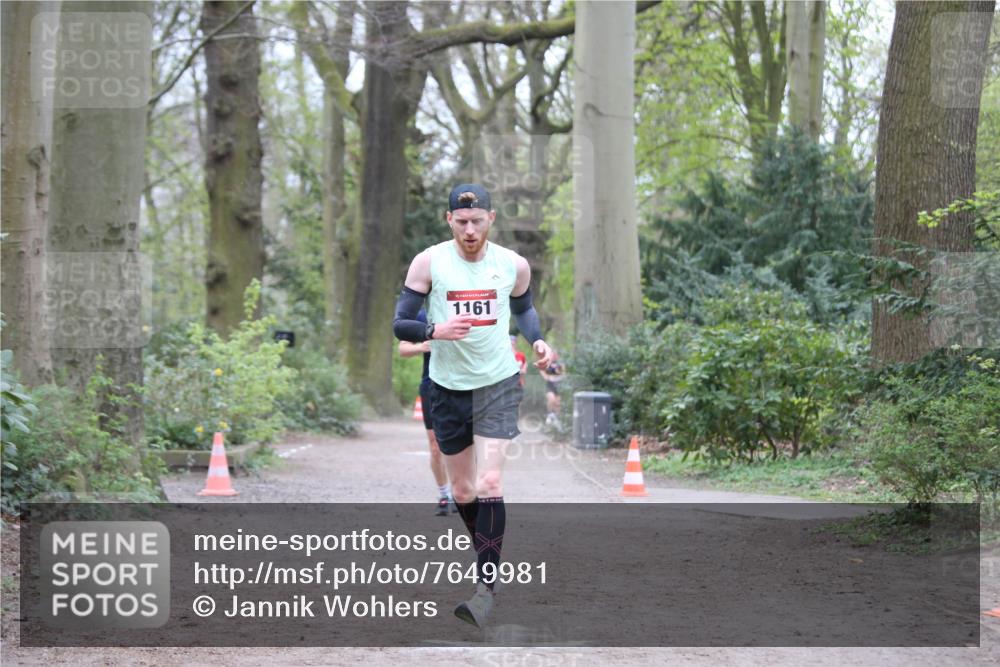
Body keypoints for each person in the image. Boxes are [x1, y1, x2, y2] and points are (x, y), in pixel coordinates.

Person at [393, 183, 554, 628]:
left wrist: (537, 339)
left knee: (490, 480)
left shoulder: (513, 265)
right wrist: (434, 331)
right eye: (461, 221)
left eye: (476, 221)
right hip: (446, 386)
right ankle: (488, 554)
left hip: (498, 383)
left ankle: (485, 586)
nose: (469, 229)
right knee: (463, 491)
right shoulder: (429, 261)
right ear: (449, 221)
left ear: (491, 219)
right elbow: (401, 323)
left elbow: (523, 310)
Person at [397, 308, 456, 516]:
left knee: (462, 444)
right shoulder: (422, 316)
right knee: (435, 446)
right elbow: (402, 349)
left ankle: (461, 490)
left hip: (462, 386)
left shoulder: (462, 311)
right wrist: (423, 346)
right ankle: (444, 494)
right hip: (430, 385)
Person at [539, 357, 564, 426]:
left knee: (557, 403)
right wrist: (546, 376)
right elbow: (541, 370)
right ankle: (549, 414)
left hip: (558, 385)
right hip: (550, 385)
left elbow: (563, 373)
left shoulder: (560, 363)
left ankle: (556, 418)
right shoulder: (547, 363)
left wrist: (558, 371)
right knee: (551, 399)